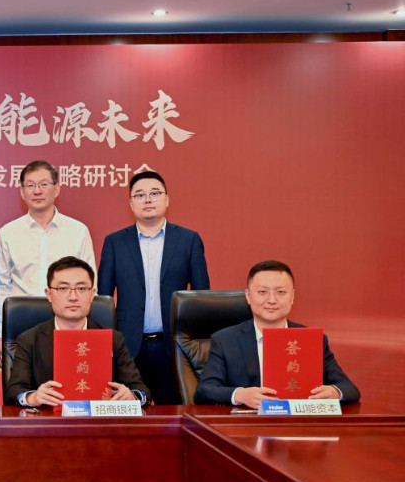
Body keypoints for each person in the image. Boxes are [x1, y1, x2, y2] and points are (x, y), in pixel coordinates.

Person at [98, 170, 209, 404]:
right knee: (128, 411)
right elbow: (104, 300)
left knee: (173, 413)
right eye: (140, 195)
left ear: (166, 199)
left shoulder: (188, 240)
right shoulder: (114, 242)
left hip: (174, 345)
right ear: (131, 204)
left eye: (155, 193)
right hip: (128, 346)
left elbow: (201, 298)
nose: (147, 199)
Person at [194, 260, 360, 409]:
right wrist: (240, 395)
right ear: (248, 296)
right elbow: (204, 391)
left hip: (299, 426)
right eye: (262, 292)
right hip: (248, 427)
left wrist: (335, 392)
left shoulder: (311, 339)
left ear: (292, 296)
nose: (272, 300)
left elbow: (349, 389)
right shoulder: (225, 340)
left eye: (280, 292)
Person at [6, 256, 149, 407]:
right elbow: (14, 392)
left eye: (81, 289)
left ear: (92, 294)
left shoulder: (113, 339)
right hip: (49, 419)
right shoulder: (29, 339)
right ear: (49, 294)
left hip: (98, 419)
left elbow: (141, 390)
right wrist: (32, 397)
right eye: (63, 289)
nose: (73, 297)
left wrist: (132, 396)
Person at [0, 160, 96, 366]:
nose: (37, 191)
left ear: (56, 188)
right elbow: (2, 286)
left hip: (68, 323)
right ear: (22, 192)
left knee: (68, 381)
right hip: (21, 324)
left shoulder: (78, 231)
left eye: (44, 184)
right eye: (30, 185)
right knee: (22, 384)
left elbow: (90, 283)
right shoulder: (8, 233)